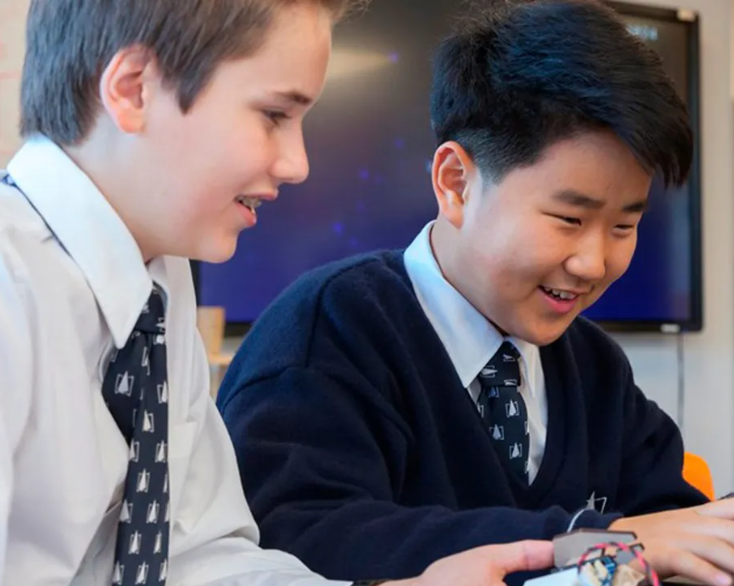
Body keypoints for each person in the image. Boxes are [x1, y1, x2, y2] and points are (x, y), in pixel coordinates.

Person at [215, 2, 734, 586]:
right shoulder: (329, 332)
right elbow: (300, 539)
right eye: (568, 219)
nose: (594, 262)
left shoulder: (593, 364)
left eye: (624, 226)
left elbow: (663, 518)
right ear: (455, 182)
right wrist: (598, 543)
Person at [0, 0, 553, 584]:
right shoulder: (14, 287)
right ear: (134, 90)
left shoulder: (156, 288)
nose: (297, 164)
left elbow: (198, 556)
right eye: (273, 115)